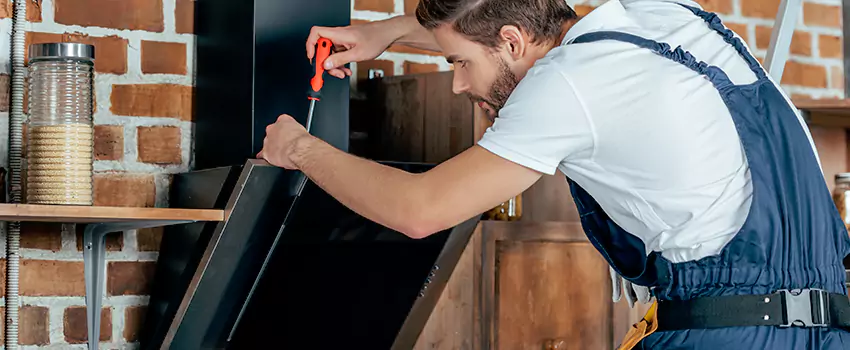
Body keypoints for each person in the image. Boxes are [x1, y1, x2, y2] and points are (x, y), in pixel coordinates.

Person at [257, 0, 850, 348]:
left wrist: (301, 149)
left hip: (733, 337)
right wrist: (385, 32)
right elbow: (490, 19)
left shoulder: (564, 84)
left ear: (512, 42)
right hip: (825, 327)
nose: (459, 84)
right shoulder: (663, 17)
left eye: (459, 64)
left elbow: (421, 211)